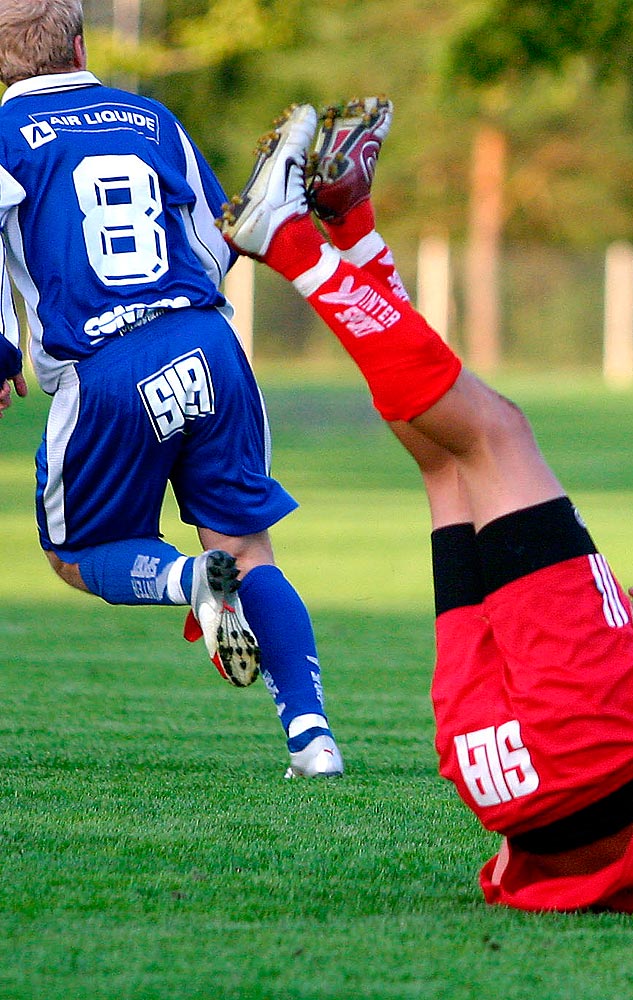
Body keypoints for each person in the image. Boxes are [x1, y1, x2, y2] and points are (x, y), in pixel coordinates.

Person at [220, 101, 633, 913]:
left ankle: (288, 240)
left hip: (601, 750)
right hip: (503, 781)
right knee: (449, 470)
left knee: (498, 433)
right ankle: (350, 225)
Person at [0, 0, 341, 777]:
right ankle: (314, 739)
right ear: (81, 42)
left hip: (107, 368)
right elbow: (217, 246)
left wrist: (1, 352)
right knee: (250, 550)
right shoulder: (151, 118)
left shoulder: (6, 136)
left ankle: (189, 580)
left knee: (75, 552)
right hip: (208, 345)